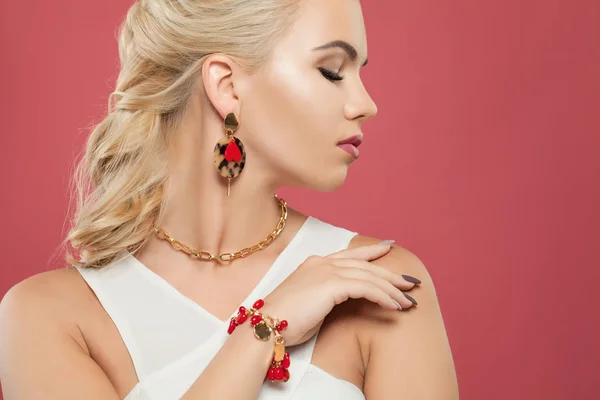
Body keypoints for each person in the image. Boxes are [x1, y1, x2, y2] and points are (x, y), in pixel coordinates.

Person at [0, 0, 458, 398]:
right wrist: (266, 326)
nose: (365, 103)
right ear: (227, 85)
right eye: (332, 71)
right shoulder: (46, 318)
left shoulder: (377, 284)